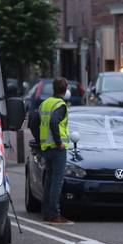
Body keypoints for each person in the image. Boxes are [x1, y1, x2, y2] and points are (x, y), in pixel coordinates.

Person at [39, 77, 73, 225]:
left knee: (48, 181)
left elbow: (34, 121)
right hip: (57, 149)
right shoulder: (61, 105)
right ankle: (54, 214)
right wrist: (59, 142)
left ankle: (47, 213)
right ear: (65, 90)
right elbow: (54, 122)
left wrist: (39, 139)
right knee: (56, 183)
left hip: (46, 148)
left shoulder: (45, 103)